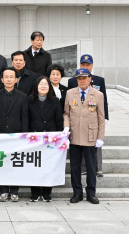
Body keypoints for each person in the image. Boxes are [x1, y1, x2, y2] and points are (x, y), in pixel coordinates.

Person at [64, 68, 105, 205]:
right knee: (75, 166)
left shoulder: (98, 94)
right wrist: (66, 128)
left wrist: (100, 137)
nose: (82, 81)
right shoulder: (70, 93)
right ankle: (77, 192)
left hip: (90, 136)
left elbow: (101, 118)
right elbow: (66, 113)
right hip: (74, 134)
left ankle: (91, 193)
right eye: (79, 78)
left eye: (84, 78)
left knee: (91, 166)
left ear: (90, 79)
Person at [0, 67, 28, 202]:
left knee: (15, 164)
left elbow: (24, 118)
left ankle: (15, 191)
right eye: (6, 77)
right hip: (0, 135)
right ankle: (3, 191)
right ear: (2, 80)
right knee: (2, 164)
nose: (9, 79)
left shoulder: (23, 96)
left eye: (11, 77)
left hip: (16, 135)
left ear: (16, 80)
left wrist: (23, 136)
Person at [67, 54, 109, 177]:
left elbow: (104, 100)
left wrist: (105, 117)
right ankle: (82, 168)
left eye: (88, 65)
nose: (85, 66)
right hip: (77, 117)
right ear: (80, 65)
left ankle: (97, 168)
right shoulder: (72, 81)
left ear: (92, 66)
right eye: (83, 64)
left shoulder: (99, 80)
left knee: (95, 143)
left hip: (93, 117)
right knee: (79, 143)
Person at [27, 76, 63, 202]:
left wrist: (59, 137)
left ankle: (47, 193)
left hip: (51, 138)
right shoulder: (29, 100)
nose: (43, 86)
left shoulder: (55, 101)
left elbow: (59, 120)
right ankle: (35, 193)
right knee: (34, 166)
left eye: (46, 84)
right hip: (34, 138)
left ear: (49, 87)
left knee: (49, 165)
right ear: (36, 86)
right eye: (41, 84)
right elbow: (26, 119)